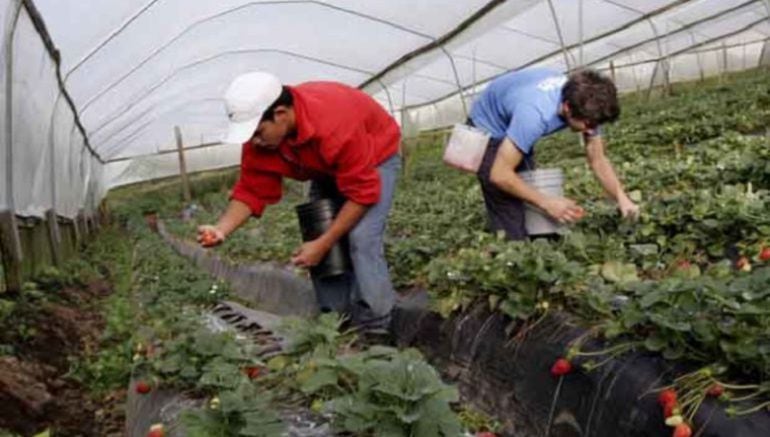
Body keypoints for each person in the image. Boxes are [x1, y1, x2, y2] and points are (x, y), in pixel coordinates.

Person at [197, 71, 401, 333]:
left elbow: (362, 194)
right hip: (325, 167)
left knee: (361, 239)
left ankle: (377, 326)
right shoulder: (260, 140)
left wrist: (324, 242)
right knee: (319, 229)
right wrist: (221, 229)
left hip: (375, 159)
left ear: (281, 113)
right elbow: (252, 189)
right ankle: (336, 321)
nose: (255, 141)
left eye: (259, 132)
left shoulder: (334, 121)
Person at [468, 68, 639, 240]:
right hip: (488, 127)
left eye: (596, 125)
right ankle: (511, 253)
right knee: (508, 206)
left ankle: (538, 242)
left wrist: (621, 197)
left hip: (515, 110)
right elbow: (499, 175)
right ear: (567, 108)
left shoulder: (587, 104)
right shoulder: (534, 115)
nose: (591, 131)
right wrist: (547, 203)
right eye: (588, 125)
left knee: (526, 186)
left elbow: (598, 159)